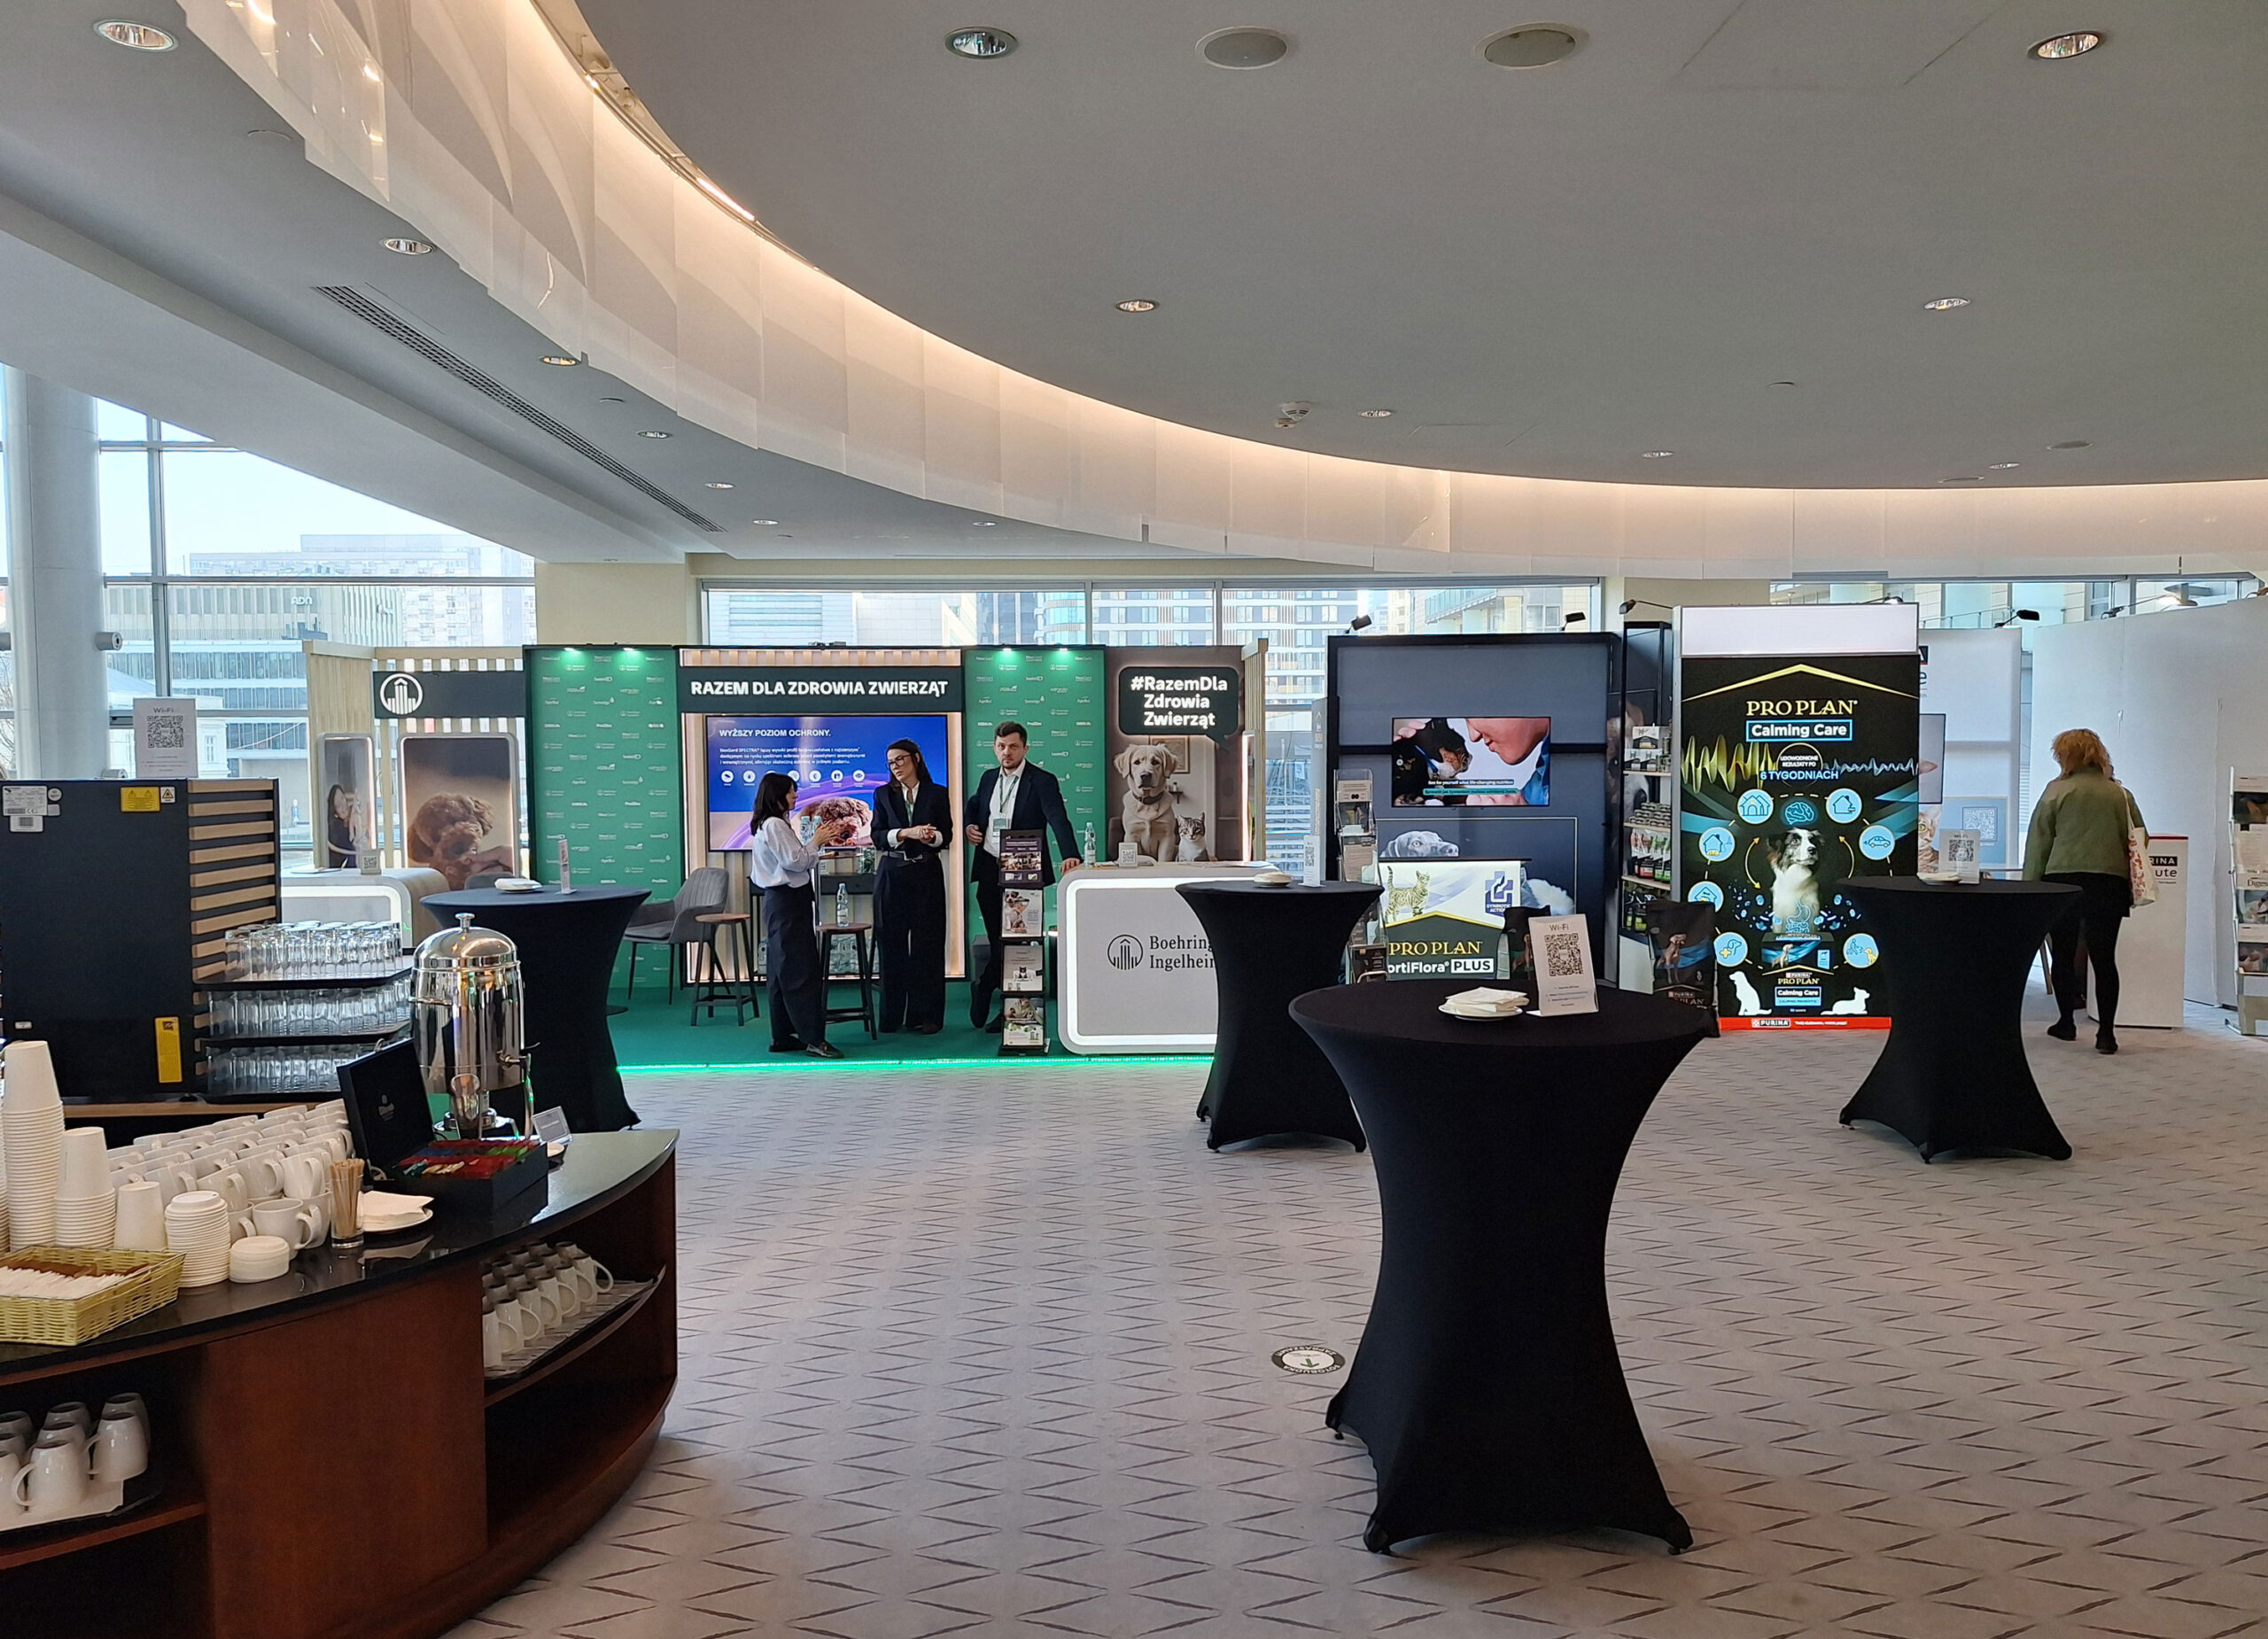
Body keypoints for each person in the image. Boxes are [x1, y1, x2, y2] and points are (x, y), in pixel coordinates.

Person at [2023, 728, 2146, 1054]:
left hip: (2062, 882)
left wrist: (2031, 887)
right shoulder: (2119, 794)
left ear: (2066, 756)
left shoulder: (2056, 791)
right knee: (2104, 958)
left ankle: (2066, 1023)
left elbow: (2039, 842)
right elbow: (2140, 838)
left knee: (2063, 955)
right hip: (2108, 883)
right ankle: (2106, 1034)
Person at [965, 721, 1081, 1030]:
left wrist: (1070, 853)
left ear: (1025, 748)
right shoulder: (988, 778)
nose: (1007, 752)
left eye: (1014, 746)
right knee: (998, 941)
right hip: (990, 867)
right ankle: (992, 990)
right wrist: (969, 826)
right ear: (995, 748)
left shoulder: (1042, 780)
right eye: (1001, 746)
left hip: (1024, 871)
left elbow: (1058, 818)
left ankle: (998, 997)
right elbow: (975, 805)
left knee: (1020, 944)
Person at [749, 773, 856, 1060]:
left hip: (779, 902)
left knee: (780, 971)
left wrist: (812, 848)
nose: (796, 796)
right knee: (800, 971)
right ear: (778, 795)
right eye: (791, 791)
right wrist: (816, 841)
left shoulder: (768, 823)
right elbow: (795, 861)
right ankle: (814, 1039)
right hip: (788, 902)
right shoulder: (775, 825)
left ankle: (783, 1036)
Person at [872, 739, 951, 1034]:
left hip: (926, 873)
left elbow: (947, 835)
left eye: (900, 760)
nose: (895, 767)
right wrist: (906, 833)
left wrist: (932, 837)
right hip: (892, 874)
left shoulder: (937, 793)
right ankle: (891, 1016)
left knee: (927, 946)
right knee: (891, 945)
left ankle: (926, 1016)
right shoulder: (883, 794)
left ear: (916, 758)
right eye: (891, 763)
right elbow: (877, 836)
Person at [324, 783, 361, 869]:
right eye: (338, 804)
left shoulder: (355, 814)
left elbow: (359, 795)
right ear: (335, 812)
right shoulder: (337, 831)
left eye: (342, 798)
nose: (342, 805)